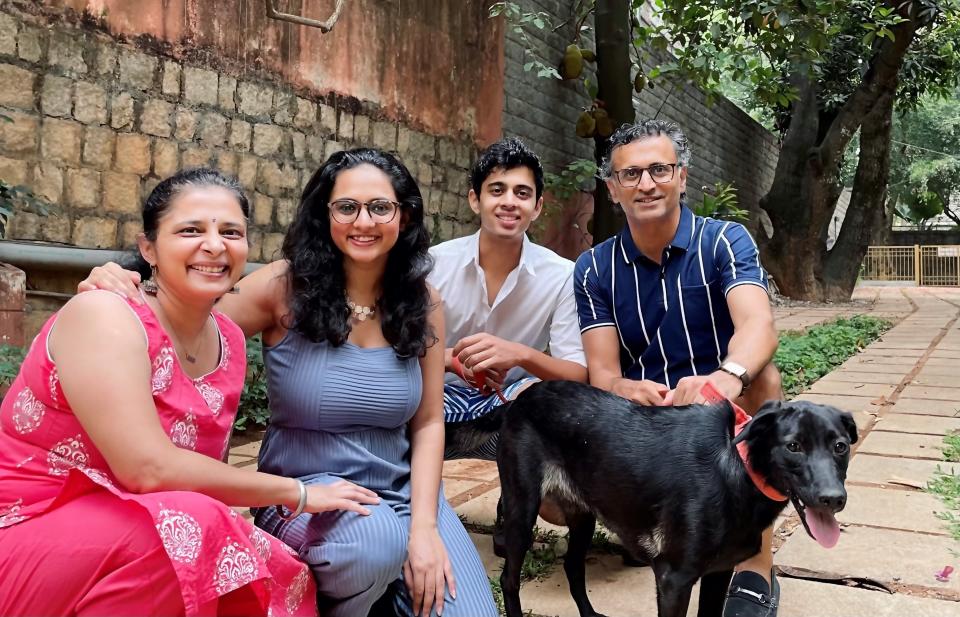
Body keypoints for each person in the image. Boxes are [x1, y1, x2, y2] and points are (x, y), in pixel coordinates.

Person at [77, 150, 498, 617]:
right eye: (347, 207)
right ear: (326, 214)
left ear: (405, 215)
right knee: (373, 547)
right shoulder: (283, 288)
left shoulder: (424, 301)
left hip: (406, 494)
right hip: (305, 495)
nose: (365, 221)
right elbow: (181, 318)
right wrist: (127, 281)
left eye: (381, 207)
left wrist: (424, 530)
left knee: (465, 606)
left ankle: (385, 585)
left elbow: (429, 422)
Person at [0, 168, 382, 617]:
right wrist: (295, 492)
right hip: (31, 524)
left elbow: (200, 474)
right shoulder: (105, 314)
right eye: (191, 230)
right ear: (148, 249)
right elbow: (148, 469)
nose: (215, 245)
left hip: (136, 527)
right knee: (190, 531)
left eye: (231, 232)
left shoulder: (228, 339)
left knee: (270, 564)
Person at [573, 120, 784, 617]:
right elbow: (602, 375)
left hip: (720, 412)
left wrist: (724, 378)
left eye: (659, 169)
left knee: (765, 377)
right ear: (612, 189)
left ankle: (756, 562)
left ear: (682, 176)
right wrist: (625, 387)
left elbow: (759, 324)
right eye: (631, 175)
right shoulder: (593, 268)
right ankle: (658, 526)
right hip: (650, 423)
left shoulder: (725, 241)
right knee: (555, 505)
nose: (646, 184)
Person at [432, 137, 586, 462]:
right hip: (432, 403)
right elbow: (394, 354)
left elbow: (576, 374)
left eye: (522, 193)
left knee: (549, 400)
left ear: (538, 206)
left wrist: (519, 355)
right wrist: (449, 360)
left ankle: (516, 495)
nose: (509, 202)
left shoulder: (562, 276)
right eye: (497, 190)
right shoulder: (433, 265)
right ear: (476, 200)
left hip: (506, 412)